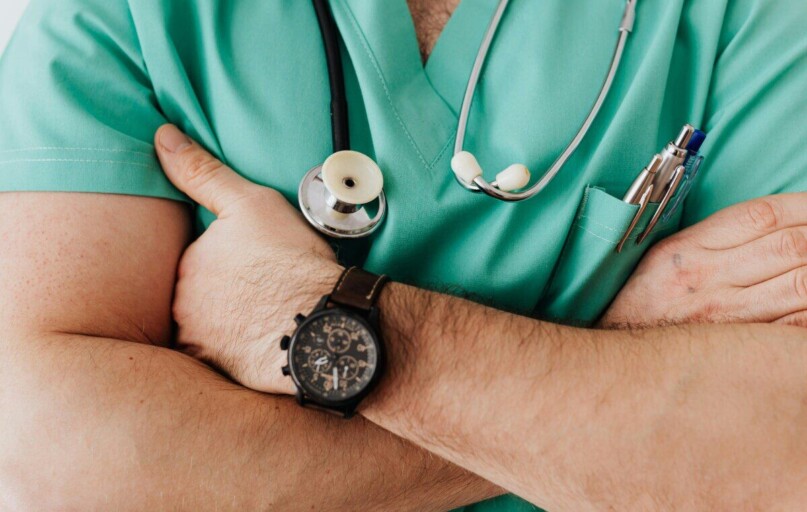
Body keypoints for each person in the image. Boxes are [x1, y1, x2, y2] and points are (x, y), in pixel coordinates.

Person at [0, 0, 805, 510]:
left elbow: (784, 450)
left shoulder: (749, 17)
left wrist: (296, 316)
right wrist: (602, 346)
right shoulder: (124, 15)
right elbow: (57, 458)